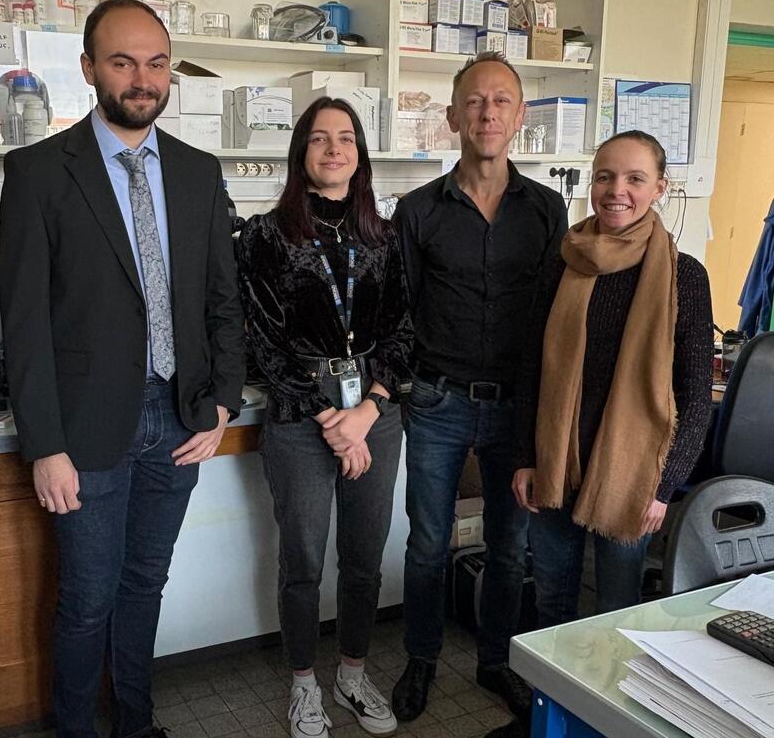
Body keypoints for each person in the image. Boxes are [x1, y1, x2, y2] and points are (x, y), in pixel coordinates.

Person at [0, 0, 245, 738]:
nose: (143, 78)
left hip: (179, 416)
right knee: (87, 599)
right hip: (84, 430)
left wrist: (223, 404)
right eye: (123, 61)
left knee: (146, 586)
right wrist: (45, 444)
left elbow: (222, 301)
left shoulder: (199, 173)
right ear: (88, 69)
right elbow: (25, 321)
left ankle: (135, 724)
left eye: (157, 62)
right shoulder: (39, 171)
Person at [389, 52, 567, 721]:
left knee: (506, 543)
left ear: (520, 116)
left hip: (518, 407)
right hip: (437, 402)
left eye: (501, 102)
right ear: (453, 116)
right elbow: (401, 310)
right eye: (475, 101)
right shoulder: (418, 210)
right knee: (429, 542)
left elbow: (557, 317)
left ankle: (495, 661)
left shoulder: (548, 211)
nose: (487, 113)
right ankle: (421, 659)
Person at [237, 97, 414, 738]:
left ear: (360, 153)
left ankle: (353, 671)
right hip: (297, 418)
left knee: (364, 556)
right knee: (304, 559)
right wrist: (330, 420)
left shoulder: (386, 238)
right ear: (300, 153)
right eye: (318, 139)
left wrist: (365, 412)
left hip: (375, 415)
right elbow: (264, 344)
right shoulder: (264, 236)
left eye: (345, 138)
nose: (333, 149)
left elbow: (403, 333)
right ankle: (305, 683)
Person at [513, 130, 714, 625]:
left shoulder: (683, 276)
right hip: (557, 460)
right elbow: (531, 368)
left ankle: (604, 701)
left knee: (616, 613)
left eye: (634, 178)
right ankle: (552, 702)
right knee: (552, 602)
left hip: (634, 472)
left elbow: (694, 394)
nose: (616, 190)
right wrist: (524, 457)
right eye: (605, 176)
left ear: (659, 188)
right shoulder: (564, 262)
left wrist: (664, 487)